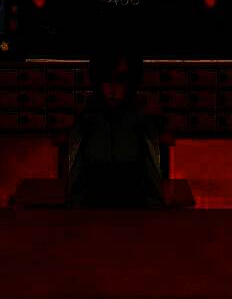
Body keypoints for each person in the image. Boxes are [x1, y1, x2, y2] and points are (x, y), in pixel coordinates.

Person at [66, 44, 166, 209]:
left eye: (121, 79)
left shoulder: (142, 123)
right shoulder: (86, 122)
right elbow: (75, 189)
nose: (113, 88)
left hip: (134, 213)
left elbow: (153, 190)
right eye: (106, 79)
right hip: (92, 214)